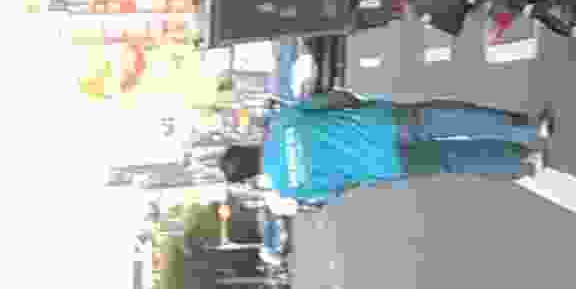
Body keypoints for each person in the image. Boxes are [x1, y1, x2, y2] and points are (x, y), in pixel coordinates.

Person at [222, 91, 550, 211]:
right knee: (453, 119)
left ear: (251, 177)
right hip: (383, 123)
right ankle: (530, 129)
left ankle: (524, 163)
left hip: (387, 164)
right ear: (247, 145)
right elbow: (338, 100)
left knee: (455, 159)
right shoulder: (283, 123)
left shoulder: (288, 187)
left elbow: (339, 189)